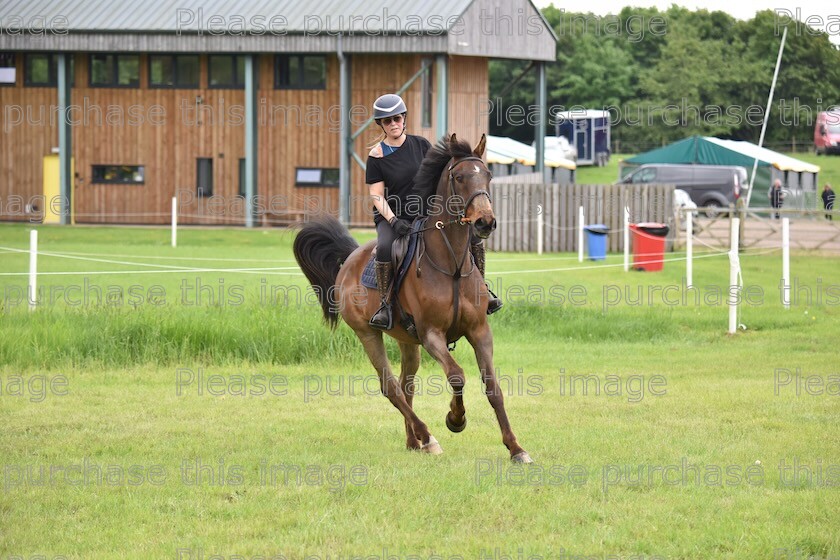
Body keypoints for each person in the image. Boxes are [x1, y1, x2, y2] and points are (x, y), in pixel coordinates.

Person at [364, 93, 501, 330]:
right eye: (387, 121)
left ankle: (483, 290)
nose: (393, 124)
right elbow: (376, 195)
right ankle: (385, 305)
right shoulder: (376, 156)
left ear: (404, 118)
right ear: (381, 125)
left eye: (397, 118)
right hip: (394, 217)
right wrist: (394, 221)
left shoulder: (421, 145)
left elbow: (439, 180)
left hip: (425, 213)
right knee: (385, 247)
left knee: (473, 239)